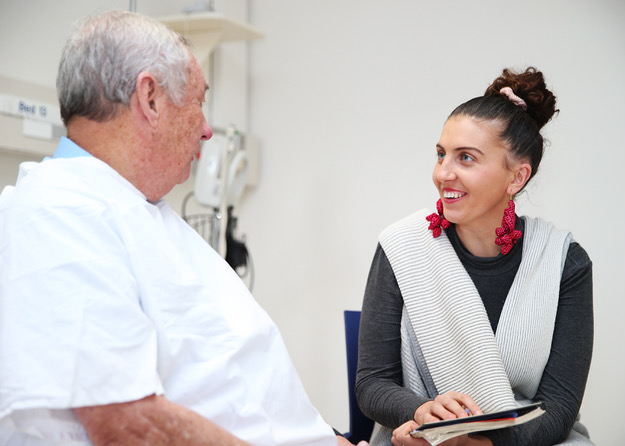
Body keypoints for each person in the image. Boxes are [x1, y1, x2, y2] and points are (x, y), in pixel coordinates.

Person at [0, 10, 367, 446]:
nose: (208, 130)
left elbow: (229, 385)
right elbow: (127, 422)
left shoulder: (134, 208)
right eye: (198, 102)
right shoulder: (59, 214)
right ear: (150, 98)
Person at [355, 67, 593, 446]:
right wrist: (421, 412)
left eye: (465, 158)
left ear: (516, 177)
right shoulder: (402, 247)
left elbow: (560, 406)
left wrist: (479, 445)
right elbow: (372, 383)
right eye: (441, 154)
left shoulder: (564, 262)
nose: (443, 173)